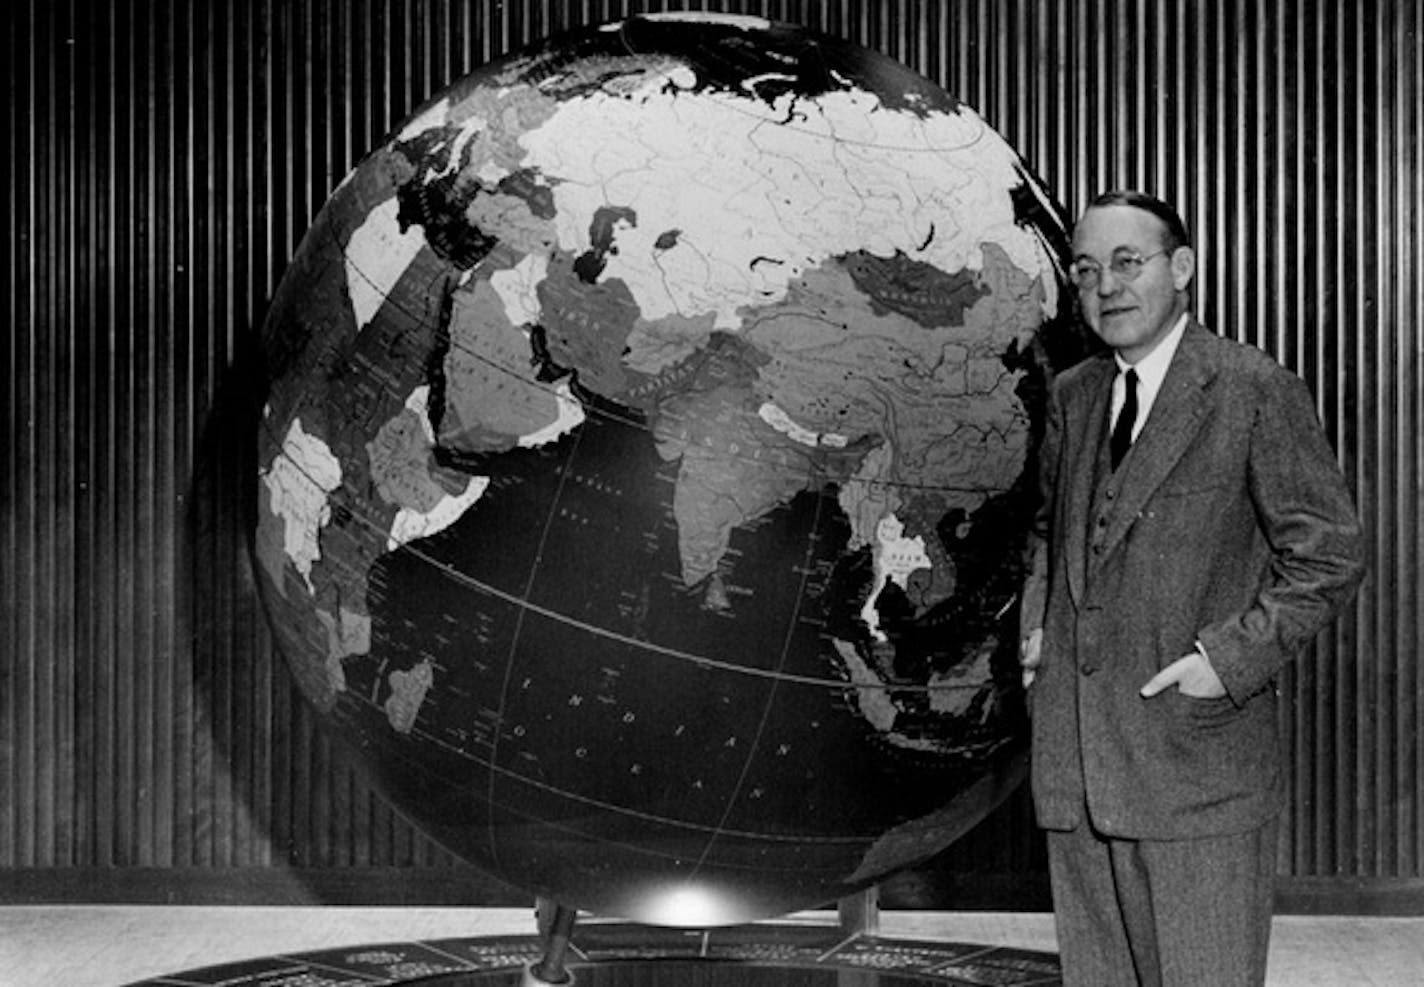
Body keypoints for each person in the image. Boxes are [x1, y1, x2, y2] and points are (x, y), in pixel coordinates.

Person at [1017, 190, 1365, 986]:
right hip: (1078, 774)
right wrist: (1035, 630)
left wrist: (1226, 660)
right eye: (1086, 268)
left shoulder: (1251, 390)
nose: (1105, 285)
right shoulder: (1074, 396)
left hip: (1196, 772)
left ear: (1183, 268)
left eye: (1127, 262)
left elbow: (1330, 553)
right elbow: (1046, 529)